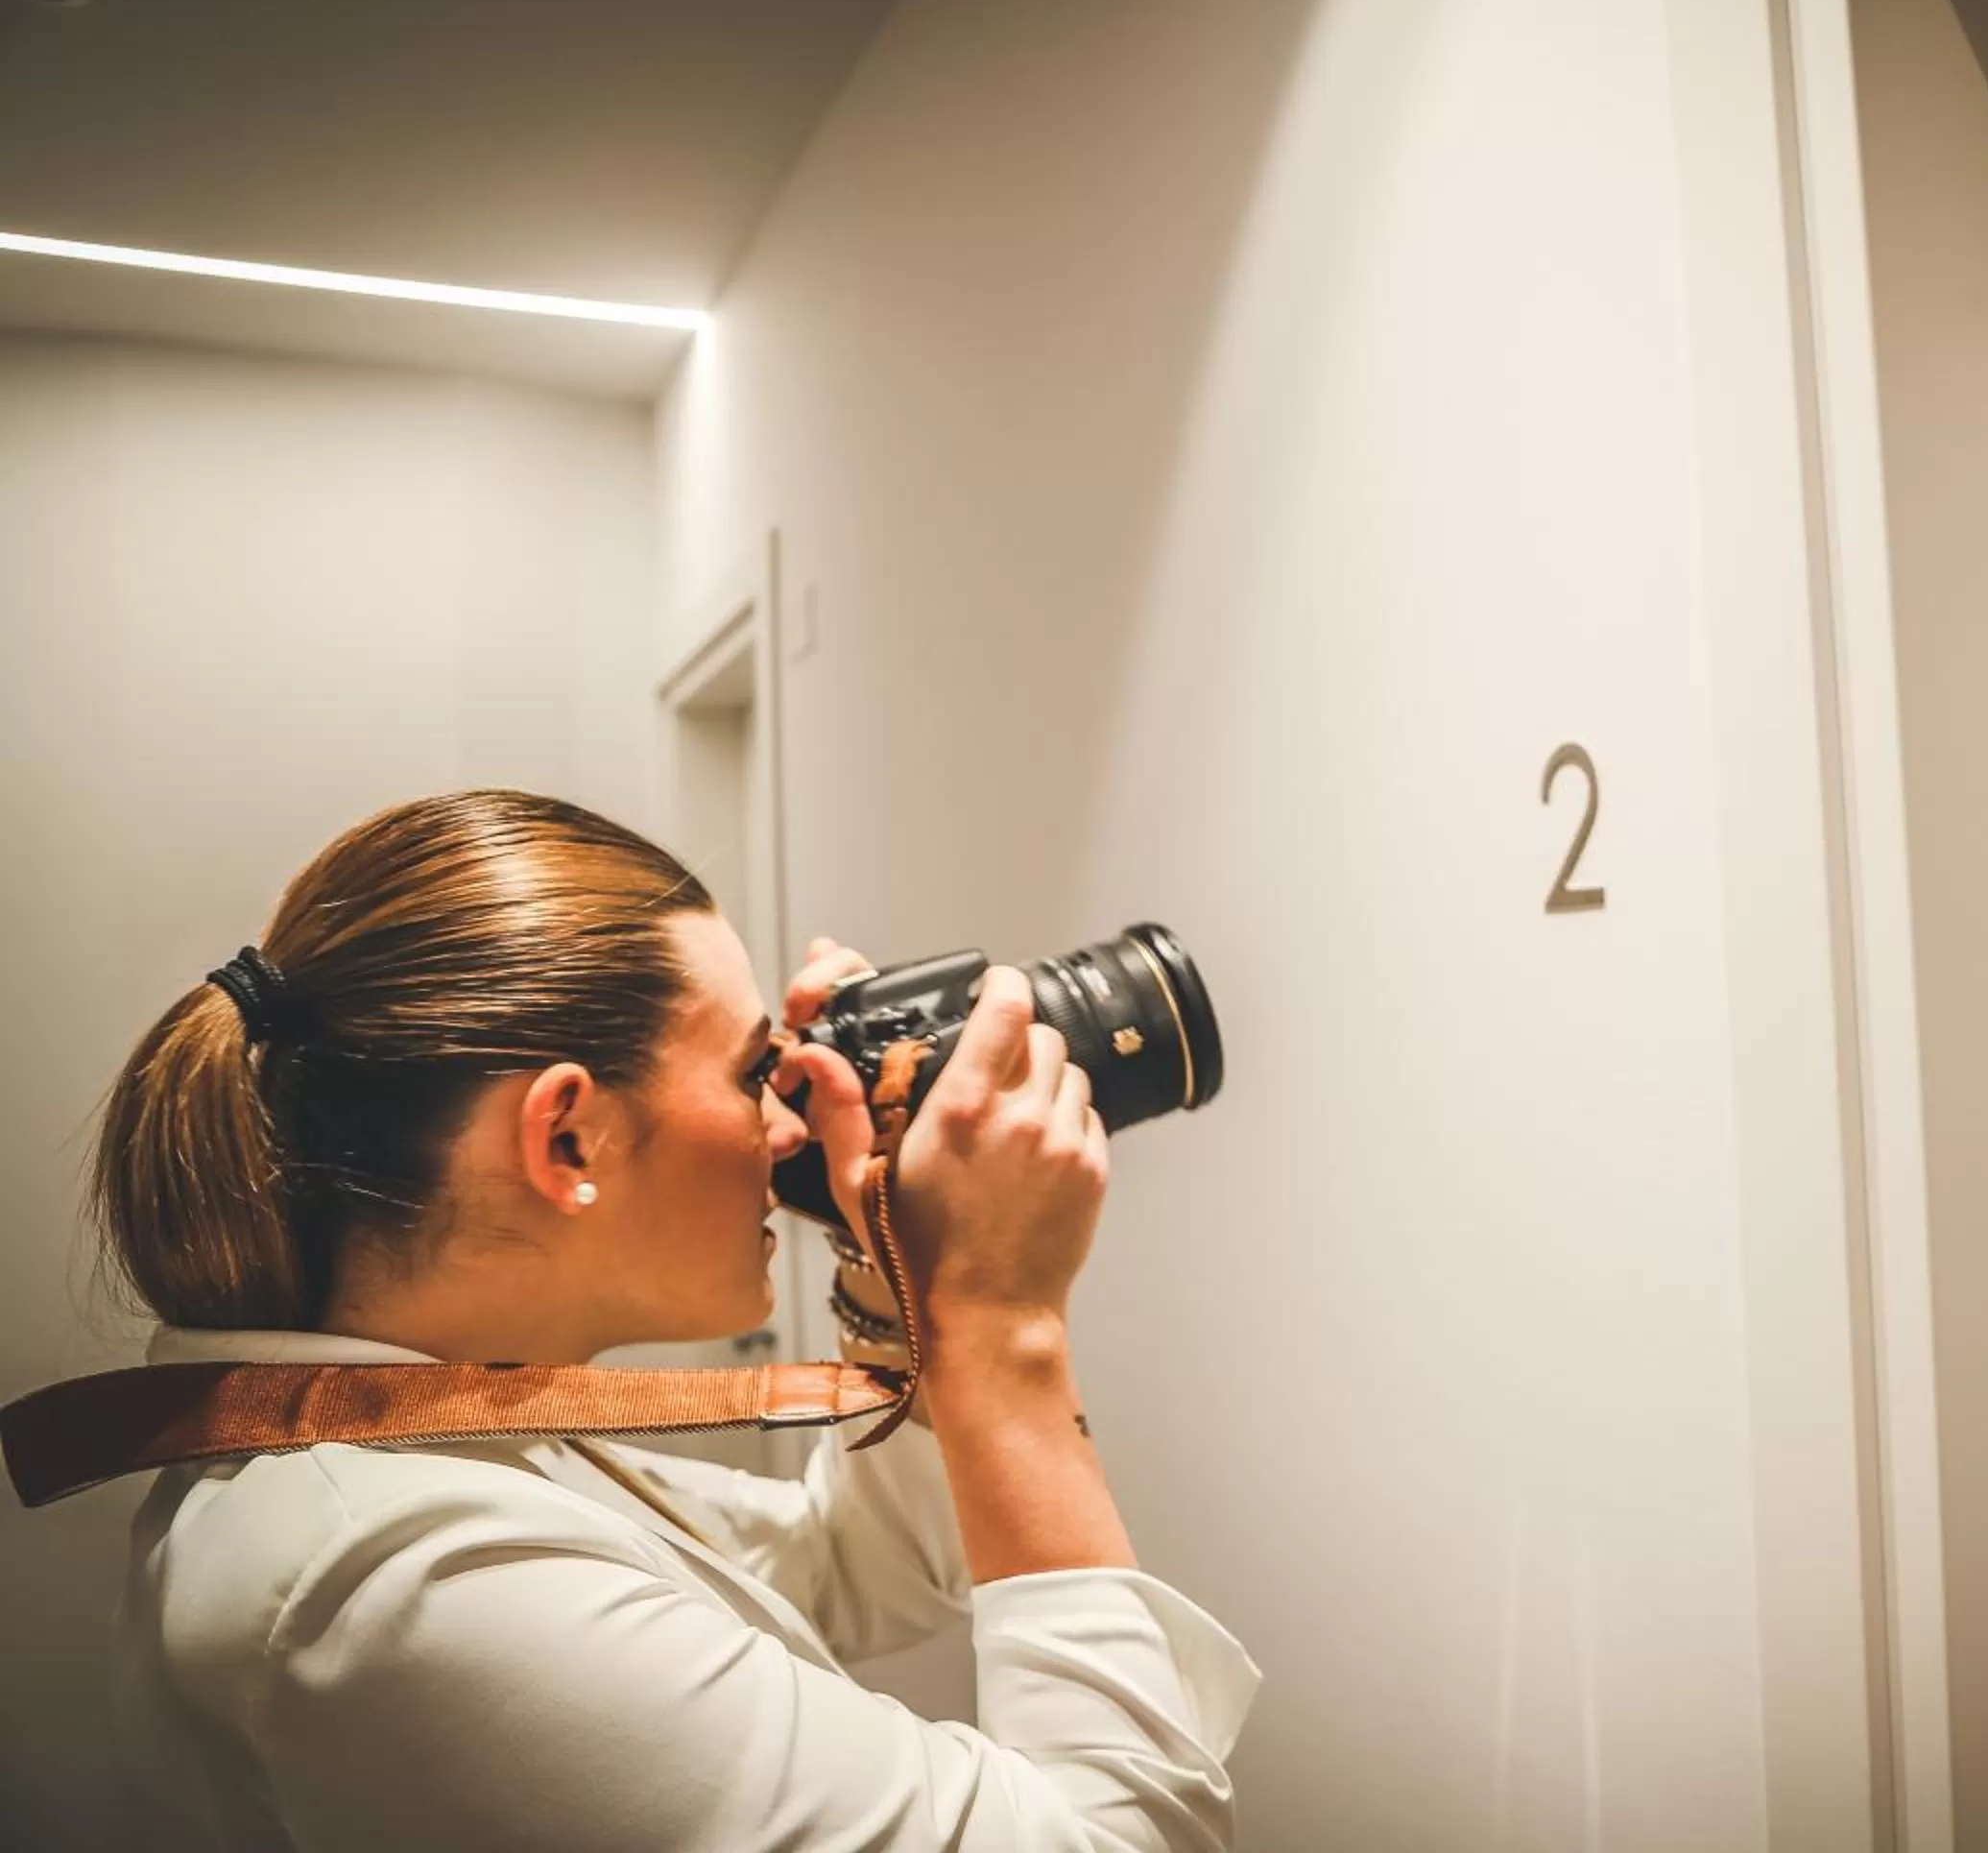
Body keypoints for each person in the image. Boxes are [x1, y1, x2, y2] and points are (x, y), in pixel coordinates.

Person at [91, 788, 1256, 1850]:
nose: (792, 1122)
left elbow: (857, 1569)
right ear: (567, 1139)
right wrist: (1004, 1322)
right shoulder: (405, 1582)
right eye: (754, 1072)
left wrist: (883, 1254)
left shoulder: (433, 1426)